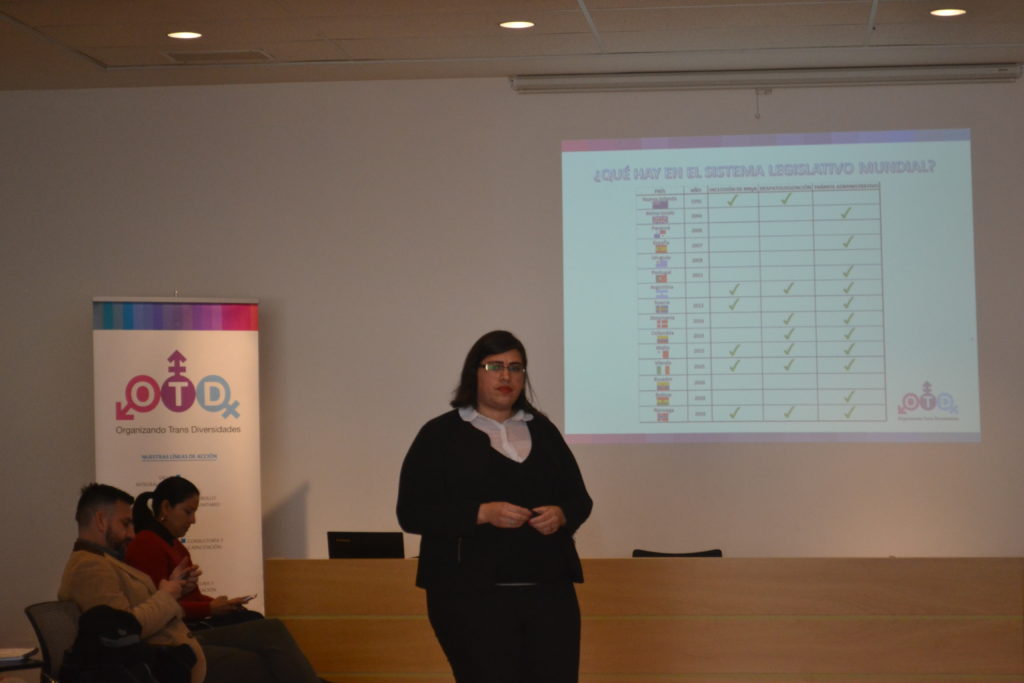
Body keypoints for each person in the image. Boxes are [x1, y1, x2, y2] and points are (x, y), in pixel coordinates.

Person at [397, 330, 593, 683]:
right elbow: (411, 512)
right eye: (495, 366)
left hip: (549, 593)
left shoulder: (544, 431)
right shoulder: (440, 435)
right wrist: (481, 513)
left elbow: (580, 500)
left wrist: (562, 515)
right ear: (474, 372)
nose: (506, 376)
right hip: (468, 596)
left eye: (516, 368)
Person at [59, 483, 323, 683]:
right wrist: (167, 595)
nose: (131, 533)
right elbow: (122, 634)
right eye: (125, 524)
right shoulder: (89, 567)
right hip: (164, 657)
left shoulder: (103, 561)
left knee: (268, 632)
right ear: (101, 520)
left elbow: (128, 619)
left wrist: (174, 591)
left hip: (175, 641)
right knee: (257, 660)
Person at [126, 475, 261, 628]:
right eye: (188, 512)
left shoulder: (175, 545)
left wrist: (224, 605)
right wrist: (210, 608)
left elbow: (193, 598)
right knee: (255, 623)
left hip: (185, 624)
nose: (193, 520)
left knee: (251, 618)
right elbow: (154, 606)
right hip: (173, 630)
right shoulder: (146, 543)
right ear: (166, 508)